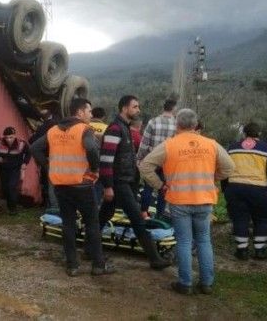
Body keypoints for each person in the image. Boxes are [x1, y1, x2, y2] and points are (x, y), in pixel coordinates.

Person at [140, 108, 234, 295]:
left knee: (183, 241)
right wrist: (212, 179)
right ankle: (206, 283)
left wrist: (160, 186)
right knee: (204, 240)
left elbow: (145, 166)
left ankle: (185, 283)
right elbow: (230, 167)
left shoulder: (169, 145)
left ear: (177, 124)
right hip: (204, 200)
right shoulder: (211, 144)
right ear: (195, 124)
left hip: (179, 200)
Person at [30, 98, 114, 277]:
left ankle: (72, 265)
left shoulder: (53, 131)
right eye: (89, 111)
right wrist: (95, 168)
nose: (91, 115)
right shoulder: (84, 129)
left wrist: (48, 166)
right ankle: (98, 265)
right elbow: (91, 149)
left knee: (68, 224)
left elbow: (34, 148)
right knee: (92, 223)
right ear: (80, 112)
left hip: (61, 185)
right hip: (82, 185)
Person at [98, 95, 171, 270]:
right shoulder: (115, 129)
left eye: (138, 107)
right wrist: (108, 186)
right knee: (138, 219)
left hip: (125, 182)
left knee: (103, 216)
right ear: (124, 108)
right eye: (135, 107)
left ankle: (89, 248)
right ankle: (154, 258)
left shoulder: (125, 128)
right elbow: (106, 160)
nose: (138, 110)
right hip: (118, 183)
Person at [222, 122, 267, 260]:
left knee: (240, 219)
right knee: (261, 219)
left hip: (235, 189)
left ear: (244, 133)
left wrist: (226, 188)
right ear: (259, 134)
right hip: (259, 190)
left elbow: (226, 169)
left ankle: (242, 250)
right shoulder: (266, 148)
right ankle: (260, 250)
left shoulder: (232, 147)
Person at [137, 99, 177, 219]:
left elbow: (144, 142)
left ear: (163, 108)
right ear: (174, 109)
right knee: (163, 189)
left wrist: (140, 158)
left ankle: (144, 212)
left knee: (148, 187)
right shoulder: (176, 124)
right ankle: (160, 215)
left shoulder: (153, 122)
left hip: (152, 160)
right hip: (168, 161)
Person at [0, 126, 31, 215]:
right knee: (5, 188)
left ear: (15, 136)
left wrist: (24, 163)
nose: (8, 139)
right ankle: (9, 205)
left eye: (11, 137)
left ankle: (13, 209)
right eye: (6, 137)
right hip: (2, 169)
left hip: (15, 169)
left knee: (11, 186)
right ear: (4, 136)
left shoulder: (21, 144)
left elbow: (28, 153)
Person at [29, 109, 59, 211]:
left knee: (50, 183)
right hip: (60, 160)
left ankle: (51, 207)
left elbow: (33, 143)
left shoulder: (46, 126)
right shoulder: (57, 124)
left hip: (49, 158)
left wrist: (44, 163)